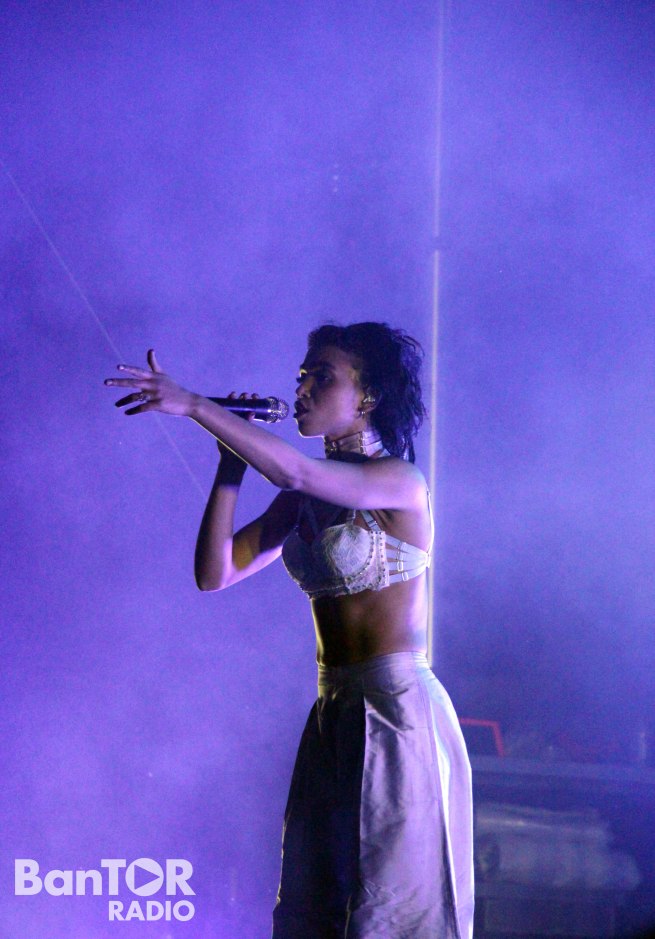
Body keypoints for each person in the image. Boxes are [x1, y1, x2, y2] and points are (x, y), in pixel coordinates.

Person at [105, 322, 474, 939]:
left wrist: (195, 405)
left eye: (321, 377)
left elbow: (295, 473)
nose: (301, 389)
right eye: (301, 376)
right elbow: (216, 571)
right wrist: (230, 464)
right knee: (315, 906)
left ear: (368, 396)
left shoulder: (398, 482)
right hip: (333, 711)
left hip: (396, 713)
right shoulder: (302, 496)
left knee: (391, 906)